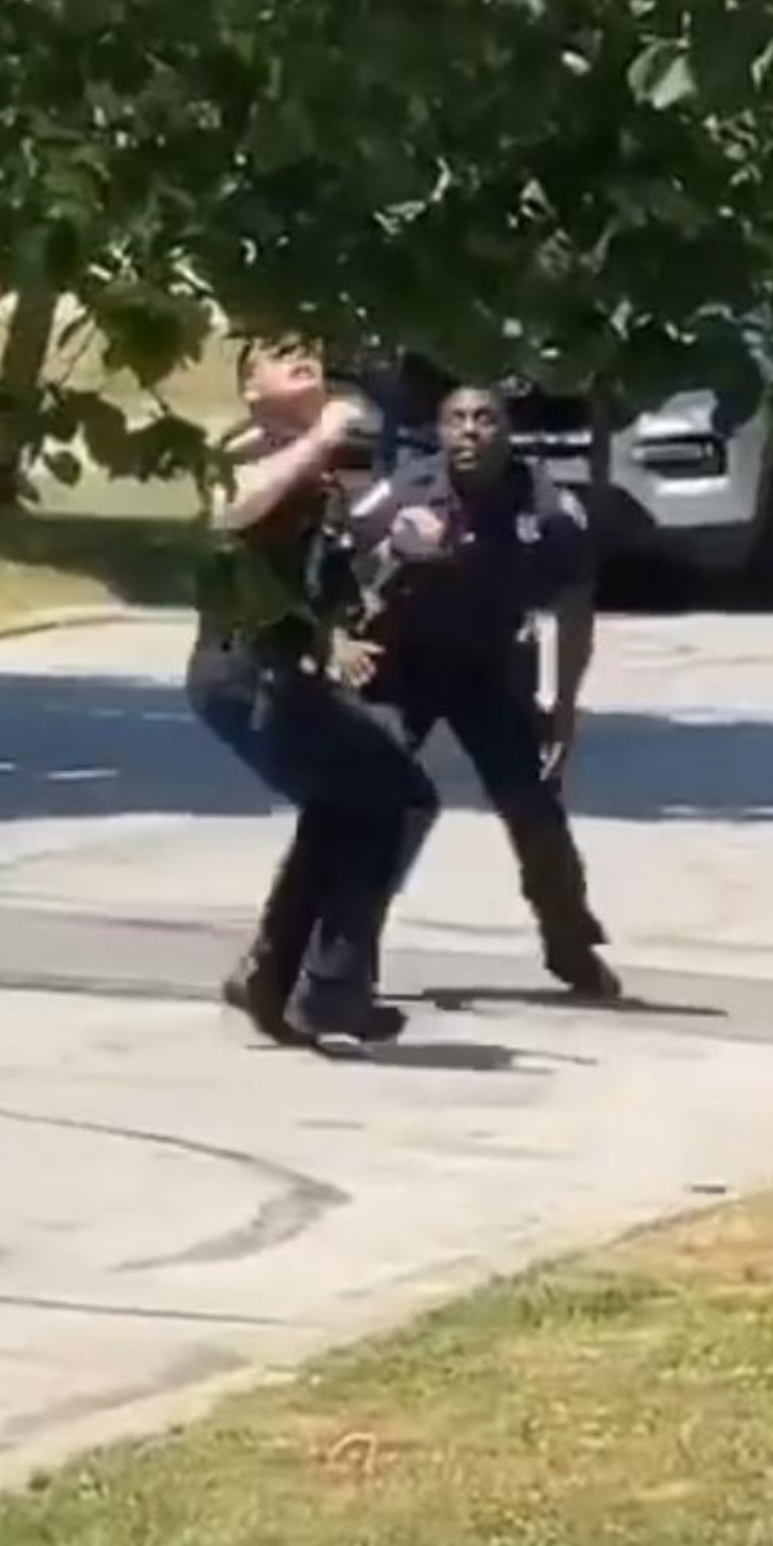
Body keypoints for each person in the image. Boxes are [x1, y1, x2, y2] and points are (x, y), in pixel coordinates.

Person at [189, 341, 439, 1045]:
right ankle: (327, 989)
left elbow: (332, 576)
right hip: (243, 671)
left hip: (285, 672)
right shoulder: (235, 450)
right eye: (281, 355)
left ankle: (274, 976)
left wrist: (400, 543)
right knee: (395, 798)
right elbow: (228, 509)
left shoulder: (323, 466)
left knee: (350, 805)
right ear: (249, 386)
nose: (305, 361)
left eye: (310, 353)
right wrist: (323, 438)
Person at [355, 384, 620, 999]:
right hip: (404, 665)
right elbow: (343, 556)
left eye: (485, 419)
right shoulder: (407, 489)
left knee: (534, 808)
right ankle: (345, 946)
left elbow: (575, 609)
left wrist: (565, 709)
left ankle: (569, 940)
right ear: (440, 431)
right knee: (376, 804)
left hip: (490, 670)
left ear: (509, 432)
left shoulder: (549, 508)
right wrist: (386, 559)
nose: (470, 431)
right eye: (456, 419)